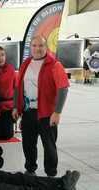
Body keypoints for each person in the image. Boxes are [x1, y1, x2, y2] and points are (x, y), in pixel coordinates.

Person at [12, 36, 70, 177]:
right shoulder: (26, 64)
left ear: (46, 47)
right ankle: (30, 170)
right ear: (30, 47)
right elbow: (18, 87)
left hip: (47, 114)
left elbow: (63, 88)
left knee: (49, 146)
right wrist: (16, 107)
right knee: (28, 145)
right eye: (34, 46)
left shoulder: (54, 65)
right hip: (28, 113)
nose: (37, 49)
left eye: (41, 46)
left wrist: (57, 112)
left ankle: (51, 174)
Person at [0, 46, 17, 140]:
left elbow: (16, 88)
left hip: (7, 107)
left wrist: (16, 107)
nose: (0, 58)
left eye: (2, 55)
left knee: (7, 135)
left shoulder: (11, 69)